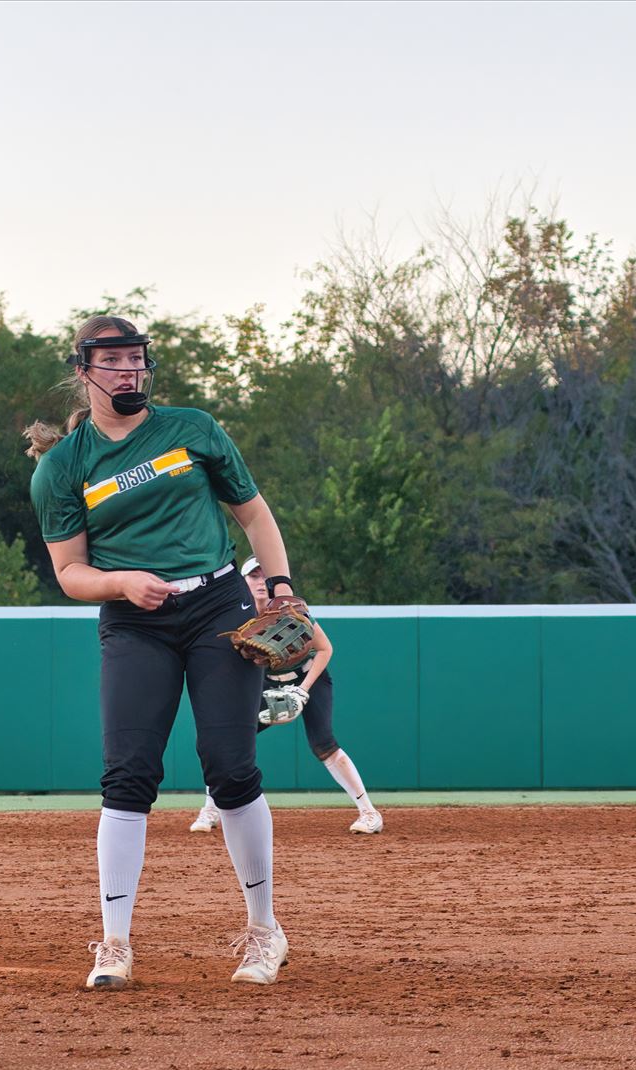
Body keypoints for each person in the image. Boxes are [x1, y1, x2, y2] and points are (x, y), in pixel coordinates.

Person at [25, 315, 300, 991]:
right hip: (134, 621)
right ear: (84, 371)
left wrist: (283, 588)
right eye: (113, 362)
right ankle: (114, 944)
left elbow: (254, 515)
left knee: (231, 769)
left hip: (217, 606)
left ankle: (265, 931)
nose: (128, 372)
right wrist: (120, 582)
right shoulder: (64, 467)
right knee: (129, 774)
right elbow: (70, 574)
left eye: (136, 360)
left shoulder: (193, 429)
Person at [189, 557, 384, 836]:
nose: (259, 582)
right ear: (243, 582)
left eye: (264, 576)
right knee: (223, 740)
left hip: (308, 678)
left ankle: (369, 813)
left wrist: (302, 692)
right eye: (253, 576)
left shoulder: (289, 610)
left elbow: (325, 649)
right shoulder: (237, 616)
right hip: (266, 681)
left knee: (324, 744)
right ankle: (211, 808)